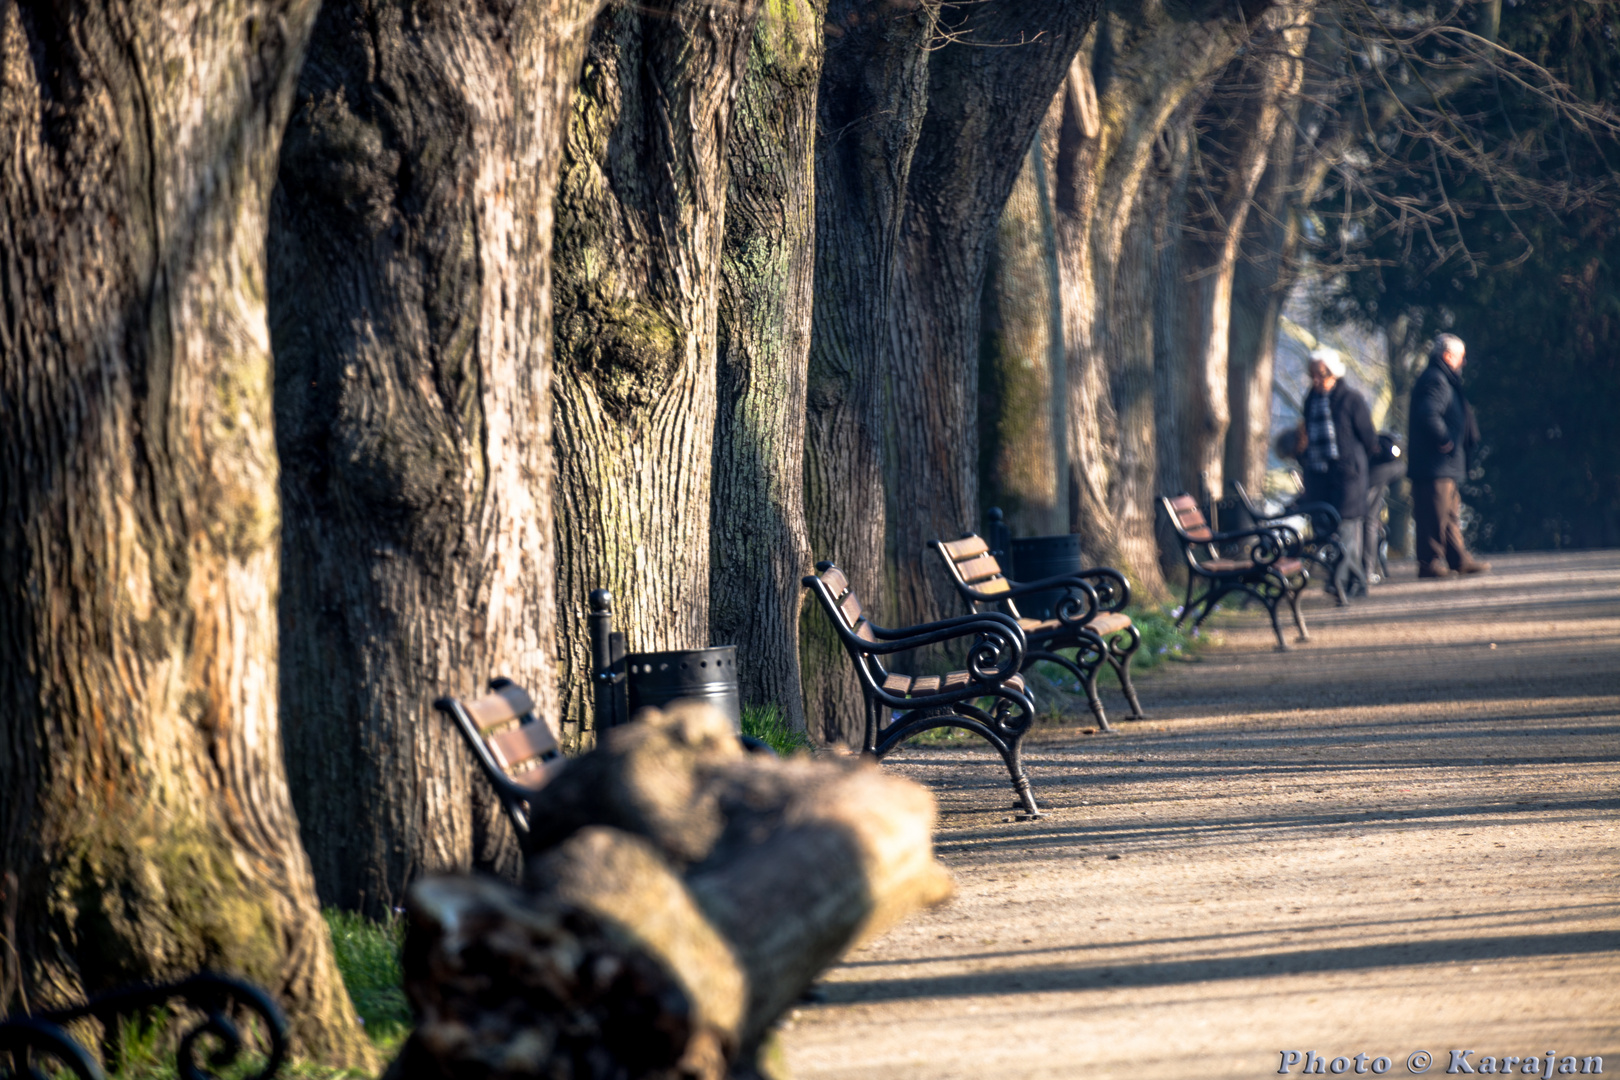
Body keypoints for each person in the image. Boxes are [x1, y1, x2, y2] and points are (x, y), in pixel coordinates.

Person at [1296, 348, 1382, 600]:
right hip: (1319, 475)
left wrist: (1354, 462)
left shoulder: (1351, 399)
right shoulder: (1311, 399)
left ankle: (1349, 581)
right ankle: (1339, 579)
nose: (1316, 380)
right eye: (1312, 375)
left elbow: (1369, 437)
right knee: (1325, 530)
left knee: (1347, 529)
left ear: (1333, 374)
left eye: (1321, 375)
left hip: (1348, 477)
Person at [1408, 333, 1490, 579]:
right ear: (1447, 356)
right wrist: (1445, 439)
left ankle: (1458, 559)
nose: (1463, 363)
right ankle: (1430, 563)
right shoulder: (1438, 380)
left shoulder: (1439, 378)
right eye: (1461, 357)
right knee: (1434, 514)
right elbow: (1428, 414)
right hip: (1435, 464)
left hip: (1442, 465)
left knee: (1450, 513)